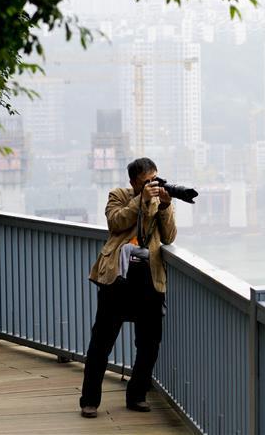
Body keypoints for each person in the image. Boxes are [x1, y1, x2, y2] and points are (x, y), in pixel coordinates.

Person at [79, 157, 177, 418]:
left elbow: (169, 236)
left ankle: (137, 395)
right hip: (117, 280)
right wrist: (141, 200)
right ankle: (89, 401)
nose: (153, 185)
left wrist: (165, 206)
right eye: (147, 181)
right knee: (101, 342)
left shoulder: (160, 200)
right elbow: (117, 222)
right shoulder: (119, 195)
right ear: (134, 181)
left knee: (149, 343)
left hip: (150, 279)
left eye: (155, 179)